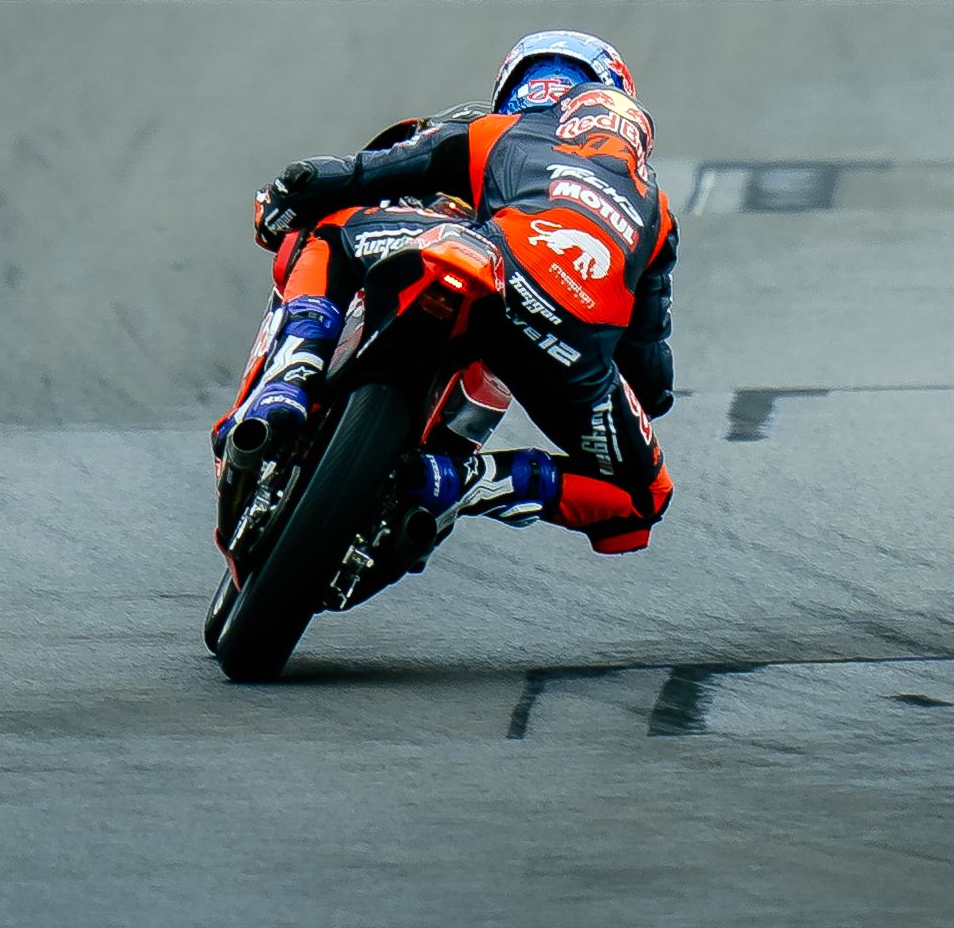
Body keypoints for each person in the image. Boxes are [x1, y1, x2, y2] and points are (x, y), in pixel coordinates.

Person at [221, 30, 676, 553]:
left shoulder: (491, 129)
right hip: (568, 346)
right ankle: (461, 481)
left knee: (328, 232)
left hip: (483, 269)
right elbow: (651, 379)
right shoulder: (657, 210)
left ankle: (290, 379)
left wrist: (287, 193)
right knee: (645, 497)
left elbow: (358, 173)